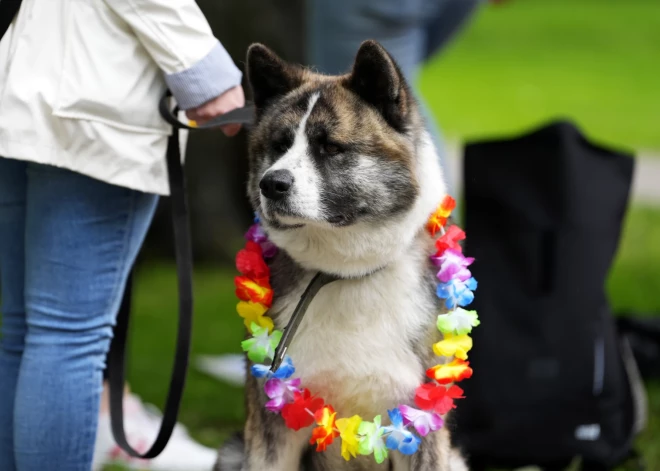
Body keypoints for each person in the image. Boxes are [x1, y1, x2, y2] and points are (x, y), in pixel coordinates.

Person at [0, 1, 244, 470]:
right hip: (91, 90)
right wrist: (200, 64)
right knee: (65, 335)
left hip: (22, 71)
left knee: (29, 331)